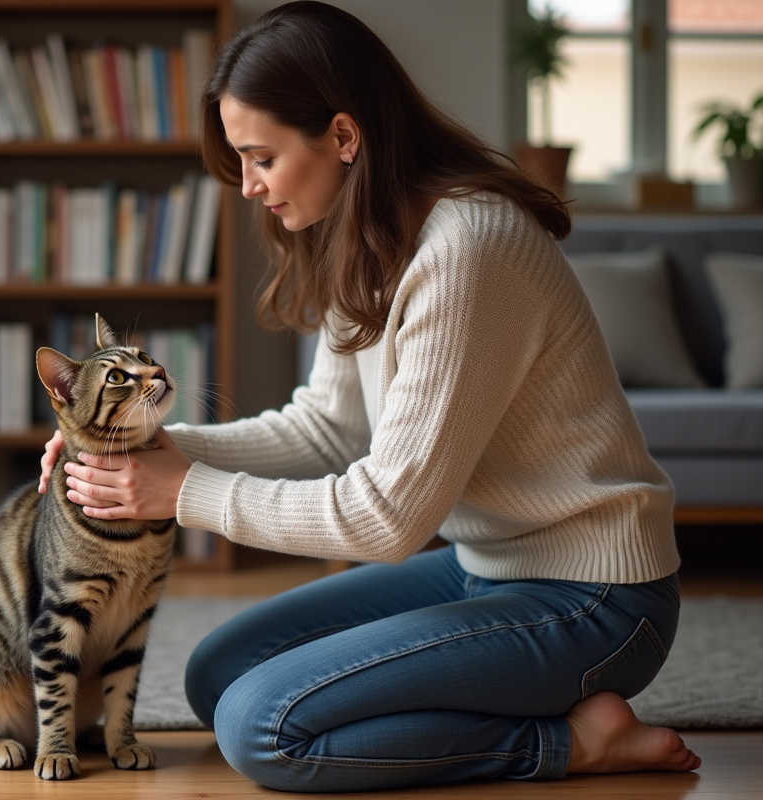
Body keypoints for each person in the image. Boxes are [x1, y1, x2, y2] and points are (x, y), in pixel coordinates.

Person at [38, 1, 701, 792]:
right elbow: (327, 428)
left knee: (262, 727)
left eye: (260, 158)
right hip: (485, 564)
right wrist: (140, 448)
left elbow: (387, 518)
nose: (247, 188)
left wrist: (185, 492)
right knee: (218, 677)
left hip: (596, 598)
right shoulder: (367, 238)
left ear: (344, 137)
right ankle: (524, 713)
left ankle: (570, 744)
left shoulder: (468, 249)